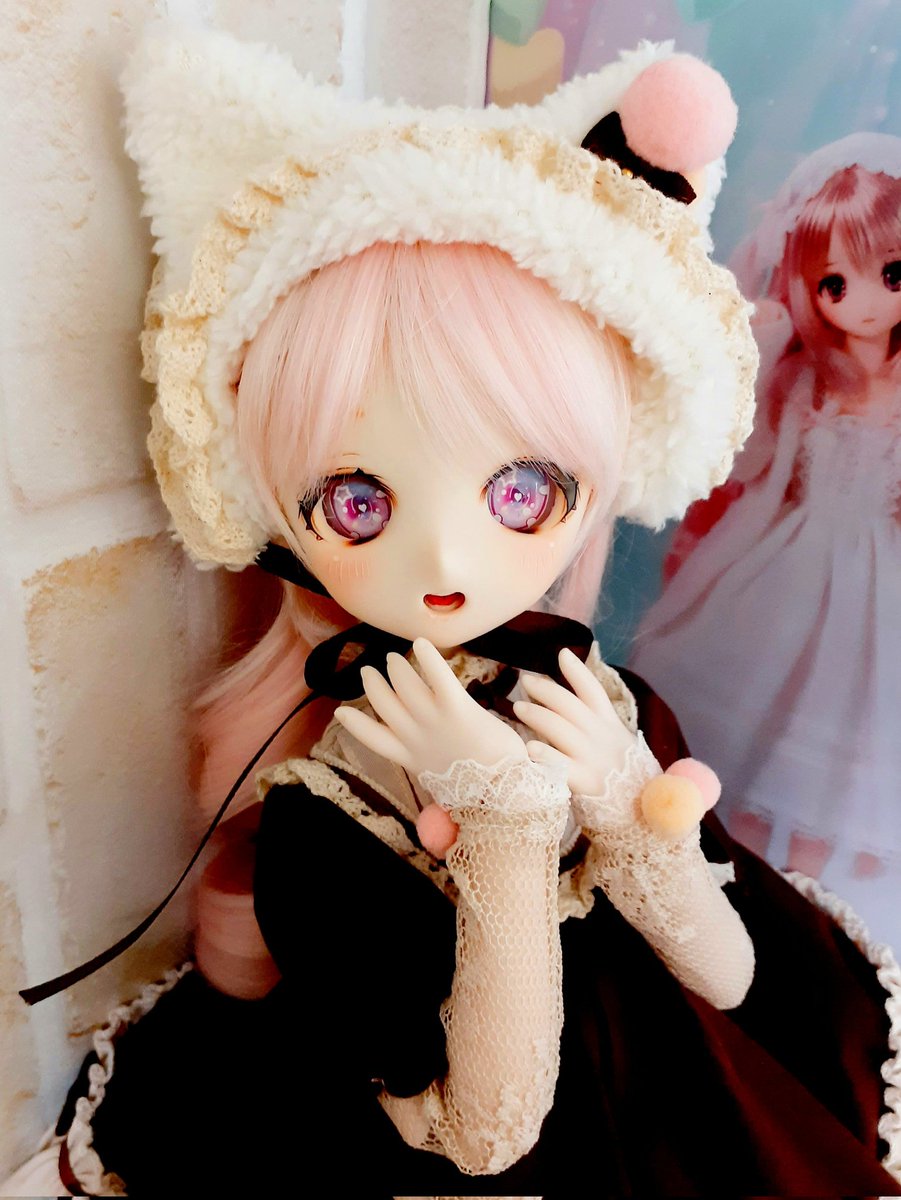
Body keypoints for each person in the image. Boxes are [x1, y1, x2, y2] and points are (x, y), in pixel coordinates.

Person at [5, 32, 900, 1200]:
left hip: (663, 1087)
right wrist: (505, 823)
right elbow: (484, 1134)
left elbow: (729, 980)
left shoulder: (594, 697)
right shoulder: (326, 822)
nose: (443, 559)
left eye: (521, 492)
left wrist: (629, 815)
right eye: (357, 501)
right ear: (270, 510)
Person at [631, 135, 901, 946]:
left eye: (890, 274)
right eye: (834, 283)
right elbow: (748, 468)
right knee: (752, 708)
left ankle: (820, 898)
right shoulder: (807, 382)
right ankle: (735, 868)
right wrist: (759, 356)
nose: (864, 303)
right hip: (788, 566)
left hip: (880, 588)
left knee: (853, 733)